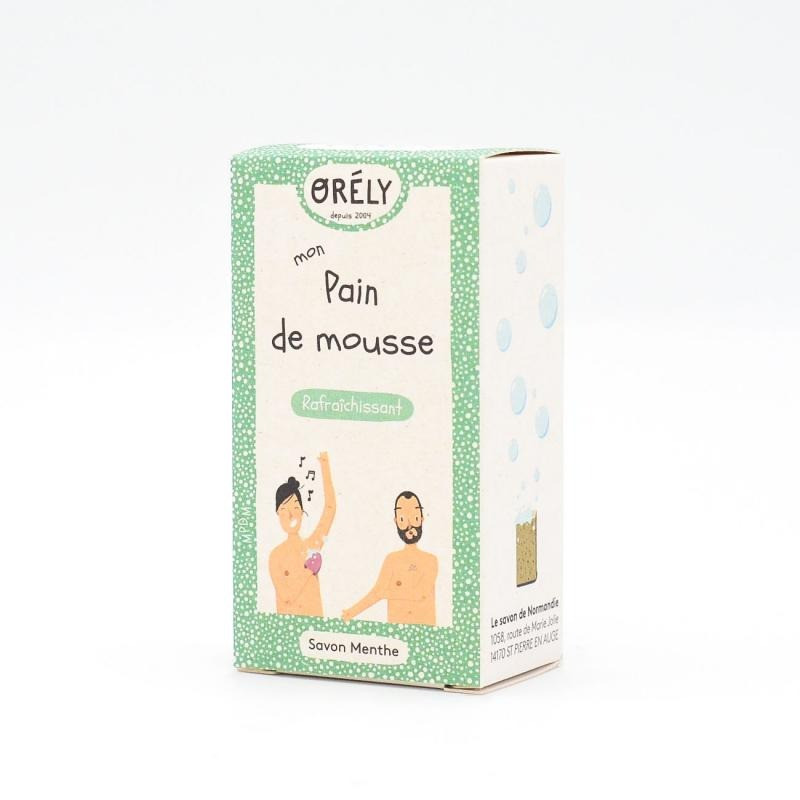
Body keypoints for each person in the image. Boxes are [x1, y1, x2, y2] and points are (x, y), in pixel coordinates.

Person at [342, 490, 438, 626]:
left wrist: (387, 592)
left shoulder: (430, 560)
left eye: (415, 517)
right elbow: (376, 592)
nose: (409, 526)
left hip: (424, 629)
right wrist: (352, 612)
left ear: (422, 519)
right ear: (396, 521)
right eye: (403, 519)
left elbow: (420, 593)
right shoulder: (392, 559)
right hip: (396, 629)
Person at [268, 452, 335, 617]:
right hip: (289, 627)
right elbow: (286, 596)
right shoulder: (275, 556)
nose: (291, 514)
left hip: (315, 626)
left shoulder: (312, 545)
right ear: (277, 514)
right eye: (284, 509)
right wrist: (309, 569)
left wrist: (324, 464)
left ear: (302, 512)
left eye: (296, 507)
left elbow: (330, 508)